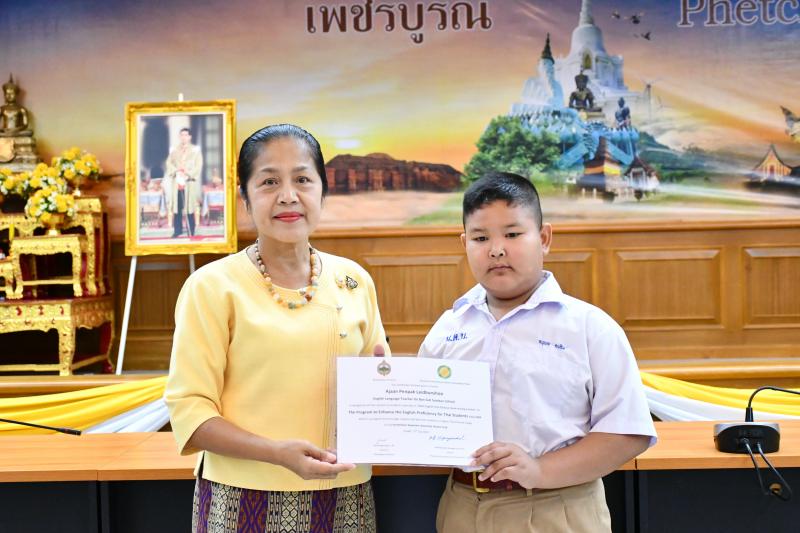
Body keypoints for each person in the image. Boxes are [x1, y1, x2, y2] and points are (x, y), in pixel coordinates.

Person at [165, 124, 389, 532]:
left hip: (346, 497)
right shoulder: (212, 286)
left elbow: (379, 393)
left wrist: (387, 388)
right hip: (242, 500)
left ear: (323, 191)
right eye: (269, 181)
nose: (288, 195)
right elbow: (190, 413)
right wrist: (276, 453)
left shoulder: (354, 279)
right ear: (245, 198)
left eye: (302, 179)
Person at [419, 172, 656, 533]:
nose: (496, 249)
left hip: (557, 508)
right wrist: (383, 387)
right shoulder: (448, 327)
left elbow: (627, 433)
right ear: (464, 243)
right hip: (462, 507)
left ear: (544, 238)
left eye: (513, 234)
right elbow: (423, 421)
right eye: (481, 238)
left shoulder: (589, 327)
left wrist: (539, 470)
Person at [164, 127, 203, 237]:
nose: (184, 137)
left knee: (189, 207)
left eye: (186, 135)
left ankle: (191, 230)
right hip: (177, 182)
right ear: (179, 137)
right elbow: (168, 163)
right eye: (182, 135)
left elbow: (198, 165)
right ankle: (178, 230)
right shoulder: (174, 150)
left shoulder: (195, 150)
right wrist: (176, 171)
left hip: (189, 182)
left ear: (190, 137)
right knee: (177, 207)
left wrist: (187, 173)